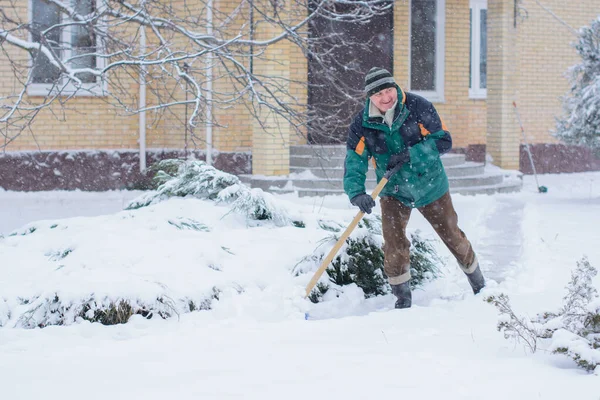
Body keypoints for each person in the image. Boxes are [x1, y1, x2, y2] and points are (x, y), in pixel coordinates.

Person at [343, 67, 486, 309]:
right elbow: (354, 160)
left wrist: (411, 154)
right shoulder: (362, 125)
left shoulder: (418, 106)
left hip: (429, 184)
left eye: (389, 90)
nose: (386, 98)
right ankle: (403, 299)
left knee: (451, 235)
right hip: (393, 190)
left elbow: (443, 140)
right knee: (393, 242)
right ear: (370, 98)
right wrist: (356, 192)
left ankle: (479, 284)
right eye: (379, 95)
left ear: (394, 88)